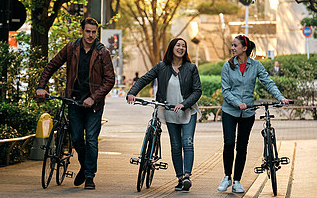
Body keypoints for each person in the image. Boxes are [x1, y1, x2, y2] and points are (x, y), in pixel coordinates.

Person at [36, 18, 115, 190]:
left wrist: (94, 98)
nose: (91, 35)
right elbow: (52, 66)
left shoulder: (102, 53)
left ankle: (89, 176)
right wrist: (42, 86)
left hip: (94, 105)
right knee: (77, 138)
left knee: (92, 140)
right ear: (82, 31)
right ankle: (86, 165)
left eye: (94, 32)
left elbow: (110, 80)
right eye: (88, 31)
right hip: (74, 101)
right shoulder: (71, 48)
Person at [127, 38, 202, 192]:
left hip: (188, 111)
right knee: (175, 146)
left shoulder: (191, 67)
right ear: (171, 48)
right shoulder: (162, 67)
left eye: (183, 46)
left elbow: (197, 91)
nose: (181, 48)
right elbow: (145, 79)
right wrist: (132, 92)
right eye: (178, 45)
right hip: (169, 110)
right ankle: (180, 178)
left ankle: (187, 176)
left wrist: (184, 103)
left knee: (187, 143)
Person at [218, 35, 290, 193]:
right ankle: (227, 177)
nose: (232, 48)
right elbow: (226, 91)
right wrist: (237, 103)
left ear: (245, 48)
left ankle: (237, 180)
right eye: (232, 45)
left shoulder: (256, 65)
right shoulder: (227, 66)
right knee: (229, 143)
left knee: (242, 147)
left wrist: (280, 97)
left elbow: (268, 82)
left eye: (235, 45)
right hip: (230, 111)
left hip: (248, 112)